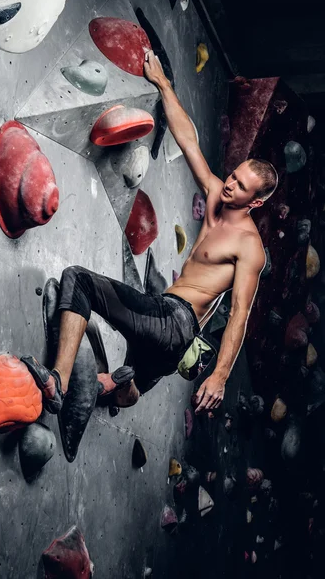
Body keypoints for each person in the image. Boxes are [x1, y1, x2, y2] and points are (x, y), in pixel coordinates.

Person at [21, 50, 278, 417]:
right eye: (234, 175)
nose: (230, 186)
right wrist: (163, 83)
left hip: (173, 321)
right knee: (127, 387)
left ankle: (58, 382)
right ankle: (122, 386)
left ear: (254, 204)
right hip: (171, 343)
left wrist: (219, 377)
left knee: (78, 281)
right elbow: (188, 139)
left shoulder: (249, 247)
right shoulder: (217, 191)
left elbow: (240, 313)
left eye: (241, 188)